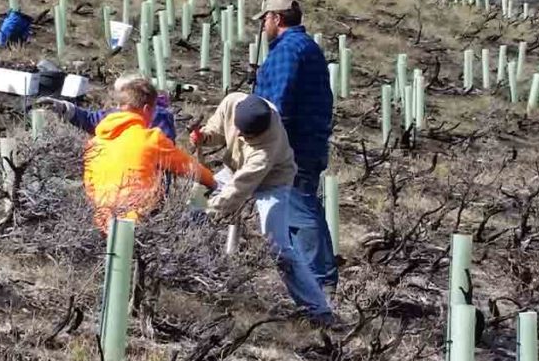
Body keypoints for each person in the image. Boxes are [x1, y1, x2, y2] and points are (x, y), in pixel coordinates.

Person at [190, 93, 333, 324]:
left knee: (279, 248)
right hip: (234, 170)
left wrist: (211, 209)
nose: (243, 138)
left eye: (249, 137)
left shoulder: (267, 148)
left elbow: (238, 190)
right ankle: (191, 276)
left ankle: (318, 310)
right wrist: (204, 137)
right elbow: (216, 131)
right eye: (241, 133)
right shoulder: (233, 102)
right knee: (192, 208)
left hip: (273, 183)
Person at [251, 0, 338, 295]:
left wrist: (267, 142)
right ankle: (310, 277)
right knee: (295, 208)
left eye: (264, 19)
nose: (263, 26)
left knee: (300, 208)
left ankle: (320, 277)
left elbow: (277, 103)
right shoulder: (306, 47)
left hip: (293, 145)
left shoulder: (287, 51)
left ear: (276, 18)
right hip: (305, 141)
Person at [83, 79, 214, 230]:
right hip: (139, 223)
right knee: (197, 217)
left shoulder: (94, 143)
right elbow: (189, 168)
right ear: (146, 109)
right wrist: (212, 182)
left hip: (101, 223)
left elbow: (90, 189)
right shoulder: (151, 139)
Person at [36, 75, 177, 140]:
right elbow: (90, 119)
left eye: (122, 98)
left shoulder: (160, 116)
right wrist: (62, 107)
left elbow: (165, 148)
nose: (118, 104)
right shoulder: (116, 113)